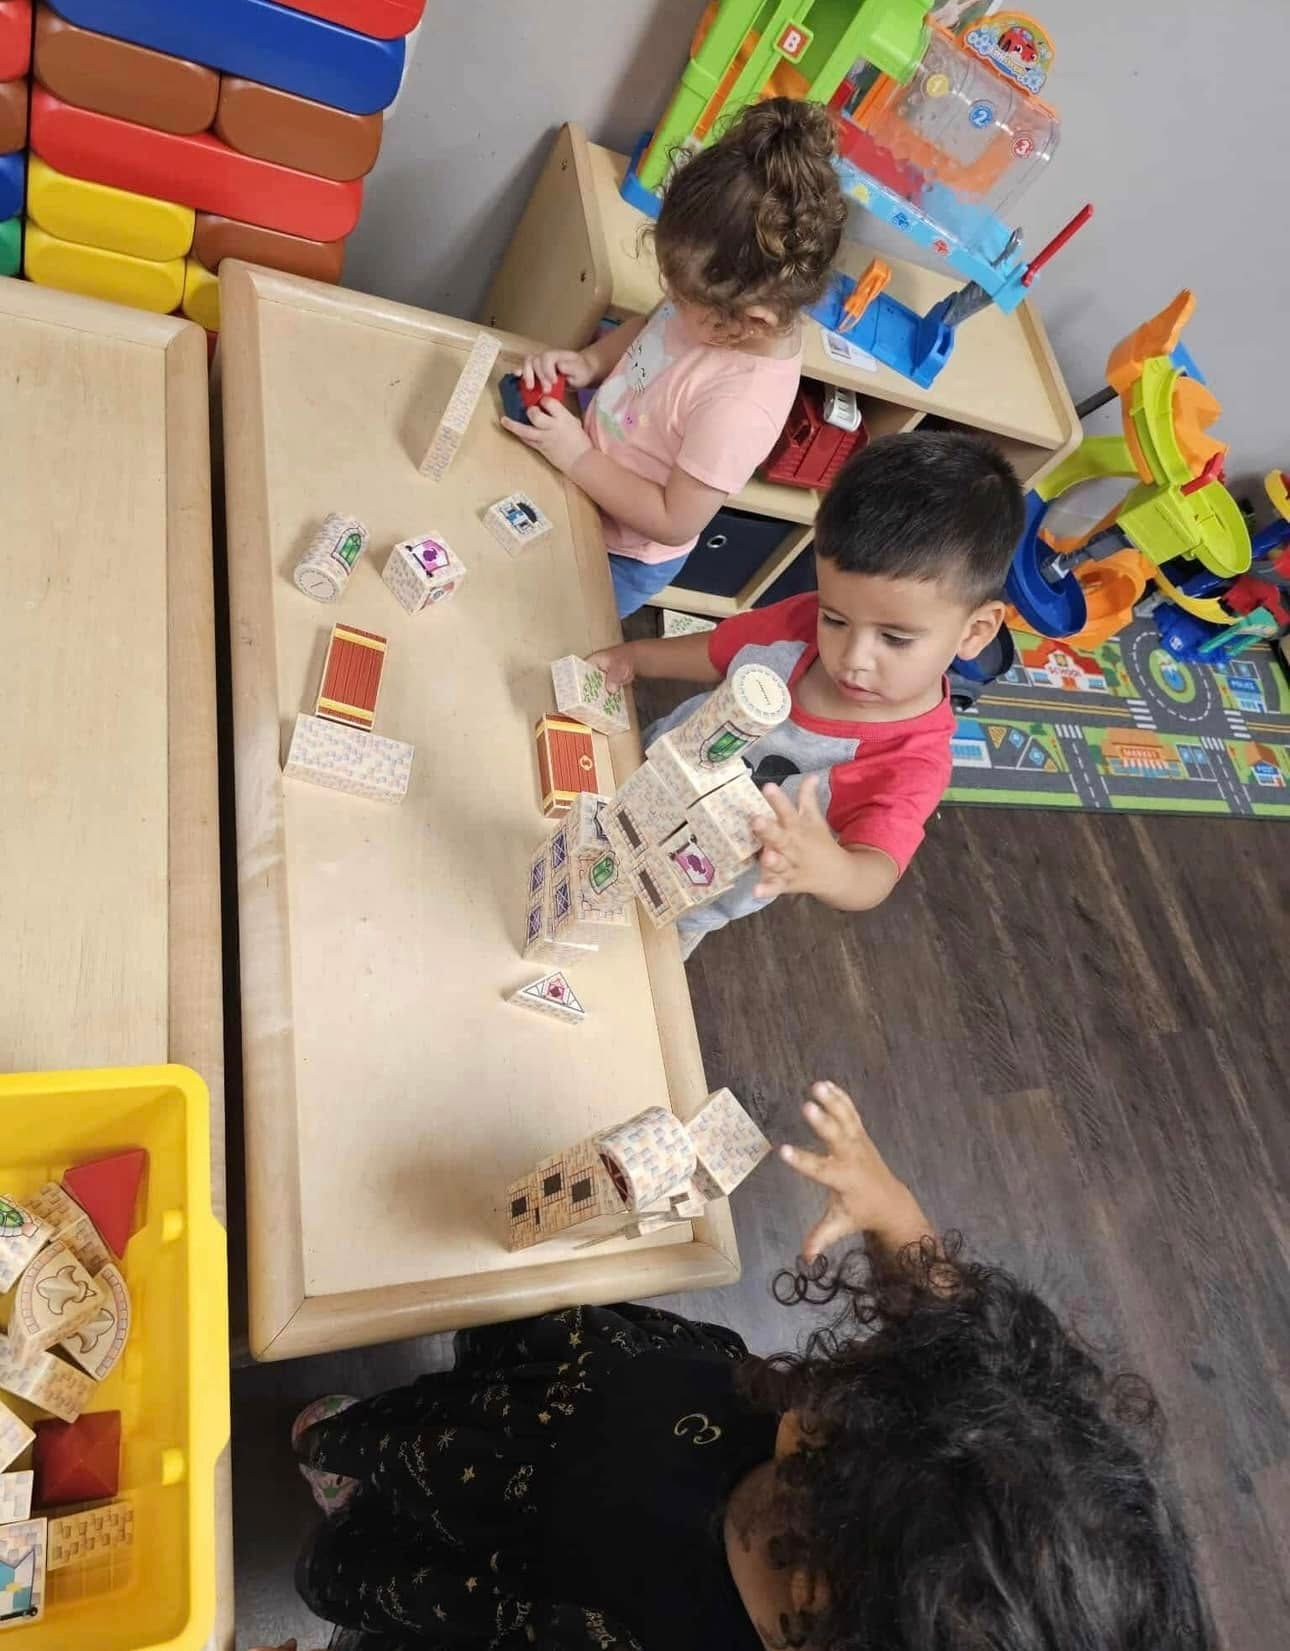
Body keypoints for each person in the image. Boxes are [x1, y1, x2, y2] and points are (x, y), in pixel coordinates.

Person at [284, 1082, 1212, 1651]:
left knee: (375, 1554)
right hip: (594, 1401)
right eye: (833, 1429)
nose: (811, 1433)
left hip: (526, 1581)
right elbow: (954, 1324)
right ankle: (351, 1445)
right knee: (439, 1415)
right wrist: (891, 1211)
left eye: (792, 1539)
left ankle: (359, 1498)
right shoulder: (940, 1418)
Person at [589, 429, 1025, 956]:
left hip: (687, 900)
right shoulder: (798, 623)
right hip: (637, 773)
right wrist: (635, 658)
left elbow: (875, 872)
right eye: (835, 618)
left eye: (895, 638)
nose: (853, 658)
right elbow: (721, 651)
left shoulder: (914, 760)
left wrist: (832, 870)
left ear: (975, 632)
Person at [501, 98, 846, 618]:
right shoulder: (711, 312)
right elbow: (651, 328)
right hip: (590, 474)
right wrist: (591, 364)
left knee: (549, 620)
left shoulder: (739, 408)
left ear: (752, 321)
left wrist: (576, 457)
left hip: (623, 551)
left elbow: (672, 518)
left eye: (683, 298)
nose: (670, 300)